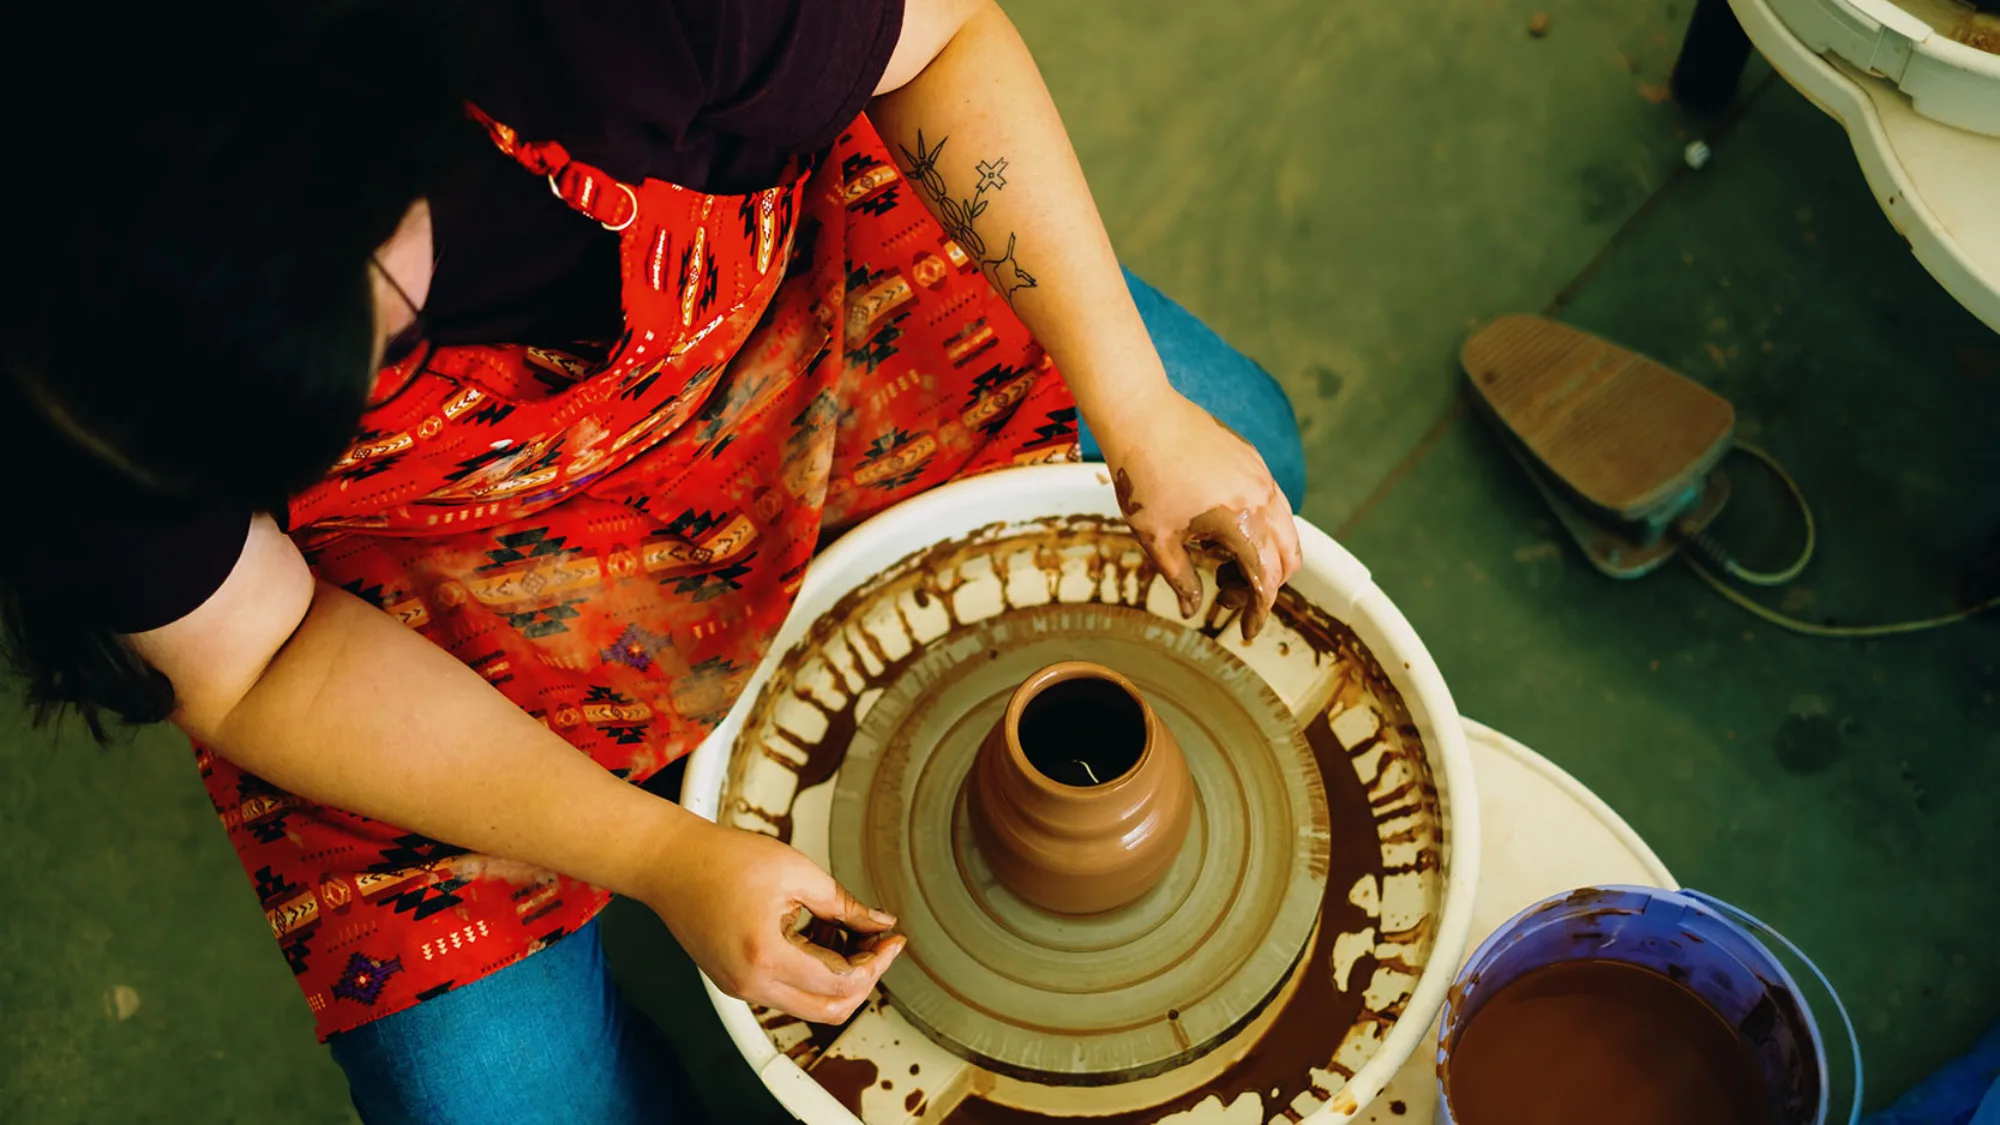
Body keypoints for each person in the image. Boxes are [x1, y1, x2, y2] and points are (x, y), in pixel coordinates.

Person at [1, 1, 1306, 1119]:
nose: (359, 388)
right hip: (421, 594)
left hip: (799, 353)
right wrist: (665, 861)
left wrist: (1137, 412)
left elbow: (940, 37)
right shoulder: (60, 369)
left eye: (373, 342)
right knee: (495, 1104)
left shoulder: (617, 23)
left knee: (1243, 451)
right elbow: (260, 655)